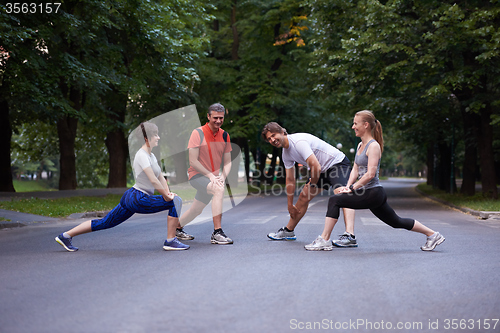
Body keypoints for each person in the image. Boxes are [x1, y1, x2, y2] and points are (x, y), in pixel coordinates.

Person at [305, 110, 445, 251]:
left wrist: (352, 188)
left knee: (334, 200)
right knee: (396, 222)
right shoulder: (360, 146)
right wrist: (346, 186)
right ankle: (433, 235)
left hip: (373, 192)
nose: (353, 126)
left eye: (355, 123)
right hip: (369, 193)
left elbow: (370, 174)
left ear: (366, 125)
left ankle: (324, 239)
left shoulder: (374, 146)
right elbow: (355, 169)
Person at [55, 122, 189, 252]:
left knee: (105, 223)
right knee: (175, 202)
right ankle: (171, 241)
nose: (158, 137)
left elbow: (160, 177)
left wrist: (169, 193)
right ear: (146, 138)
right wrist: (167, 197)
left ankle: (65, 236)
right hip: (138, 198)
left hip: (132, 197)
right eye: (155, 135)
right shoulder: (141, 155)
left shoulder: (151, 156)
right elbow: (153, 180)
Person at [262, 122, 356, 248]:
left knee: (342, 194)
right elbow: (290, 179)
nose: (273, 140)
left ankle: (350, 235)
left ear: (283, 132)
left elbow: (315, 166)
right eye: (269, 139)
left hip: (337, 164)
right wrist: (290, 205)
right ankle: (288, 231)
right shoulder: (286, 154)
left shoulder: (298, 142)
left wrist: (312, 184)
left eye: (274, 135)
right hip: (321, 169)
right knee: (303, 197)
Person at [177, 103, 233, 244]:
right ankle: (217, 232)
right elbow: (193, 161)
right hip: (197, 175)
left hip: (213, 178)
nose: (218, 121)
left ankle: (176, 229)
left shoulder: (225, 135)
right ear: (208, 117)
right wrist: (210, 176)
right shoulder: (198, 133)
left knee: (196, 209)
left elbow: (227, 162)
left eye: (221, 118)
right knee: (218, 189)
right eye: (215, 118)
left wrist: (222, 176)